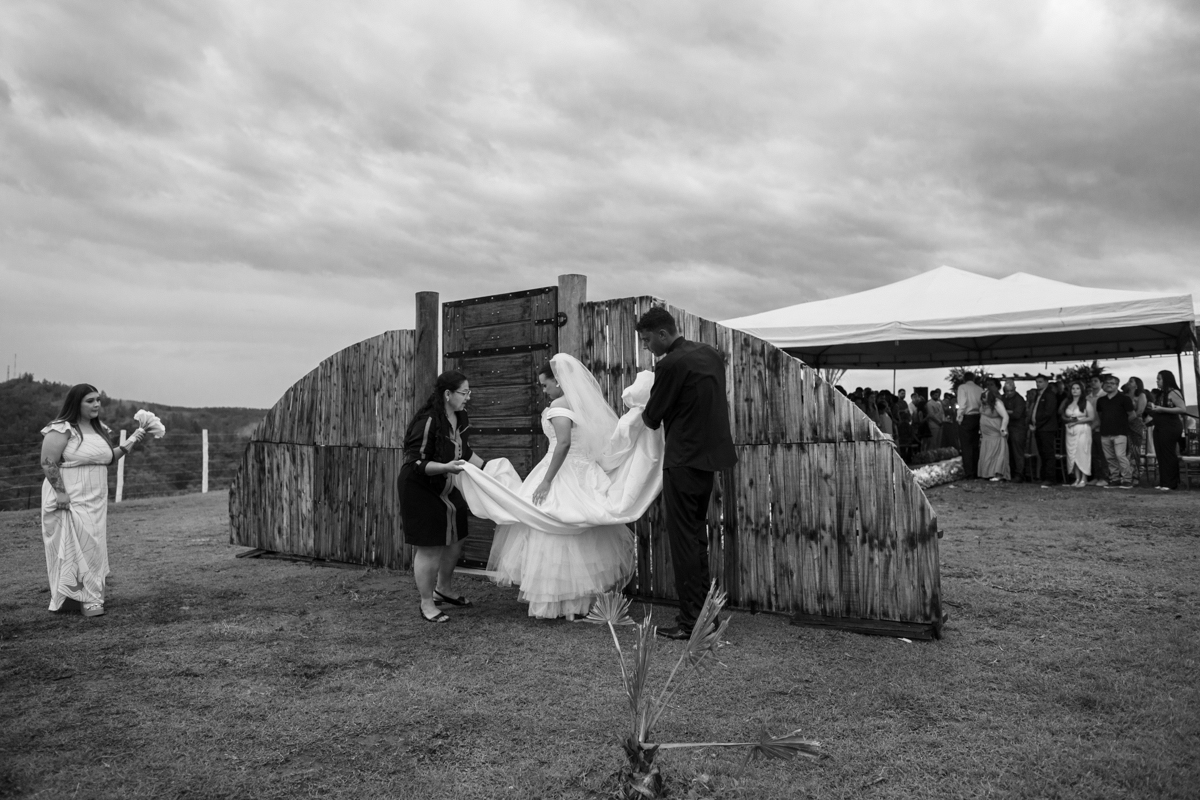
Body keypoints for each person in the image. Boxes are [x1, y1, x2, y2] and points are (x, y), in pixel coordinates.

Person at [473, 356, 659, 619]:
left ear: (559, 381)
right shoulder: (579, 405)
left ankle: (556, 602)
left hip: (562, 472)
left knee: (550, 530)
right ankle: (580, 602)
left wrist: (547, 481)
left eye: (545, 384)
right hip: (584, 472)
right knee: (580, 535)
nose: (543, 390)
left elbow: (563, 444)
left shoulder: (559, 406)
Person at [637, 307, 738, 640]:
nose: (646, 346)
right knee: (697, 539)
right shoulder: (710, 354)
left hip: (682, 461)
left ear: (663, 334)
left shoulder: (670, 364)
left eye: (647, 340)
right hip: (708, 460)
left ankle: (691, 622)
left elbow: (652, 417)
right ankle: (705, 615)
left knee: (684, 543)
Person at [40, 384, 147, 617]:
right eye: (90, 400)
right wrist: (61, 493)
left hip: (96, 499)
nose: (96, 404)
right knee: (74, 545)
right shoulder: (62, 428)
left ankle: (86, 596)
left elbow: (107, 459)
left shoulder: (100, 429)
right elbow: (48, 461)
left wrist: (132, 440)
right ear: (76, 403)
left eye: (98, 399)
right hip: (69, 496)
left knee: (94, 547)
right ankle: (81, 598)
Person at [399, 371, 485, 623]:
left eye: (469, 392)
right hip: (420, 488)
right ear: (448, 394)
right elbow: (415, 462)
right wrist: (446, 467)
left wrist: (489, 470)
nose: (468, 397)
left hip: (446, 485)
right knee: (430, 546)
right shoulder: (427, 421)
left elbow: (464, 451)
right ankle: (426, 603)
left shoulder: (461, 416)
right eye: (464, 392)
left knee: (457, 537)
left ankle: (443, 590)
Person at [1147, 370, 1188, 491]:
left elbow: (1182, 409)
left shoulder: (1173, 392)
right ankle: (1164, 481)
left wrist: (1162, 409)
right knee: (1160, 454)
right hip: (1160, 426)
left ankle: (1171, 483)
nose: (1157, 381)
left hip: (1170, 426)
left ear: (1166, 380)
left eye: (1159, 379)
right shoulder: (1161, 394)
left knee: (1168, 454)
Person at [1096, 375, 1136, 489]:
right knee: (1109, 458)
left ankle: (1127, 480)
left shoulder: (1124, 399)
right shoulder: (1101, 400)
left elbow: (1132, 415)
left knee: (1120, 456)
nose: (1109, 385)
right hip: (1105, 432)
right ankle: (1115, 479)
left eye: (1112, 383)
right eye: (1107, 383)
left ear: (1117, 385)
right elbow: (1100, 415)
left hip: (1120, 433)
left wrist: (1122, 423)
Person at [1062, 381, 1095, 488]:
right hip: (1070, 430)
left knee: (1082, 453)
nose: (1075, 390)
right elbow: (1063, 414)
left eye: (1077, 388)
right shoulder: (1068, 402)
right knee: (1073, 454)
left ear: (1081, 390)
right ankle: (1077, 478)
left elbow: (1091, 417)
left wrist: (1077, 422)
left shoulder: (1086, 403)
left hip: (1082, 430)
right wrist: (1068, 420)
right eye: (1073, 388)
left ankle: (1084, 478)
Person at [1029, 375, 1060, 484]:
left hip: (1046, 428)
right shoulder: (1039, 395)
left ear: (1046, 382)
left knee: (1048, 453)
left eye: (1040, 382)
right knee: (1042, 453)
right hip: (1039, 428)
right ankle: (1044, 476)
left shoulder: (1049, 395)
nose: (1038, 384)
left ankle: (1050, 477)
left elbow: (1048, 413)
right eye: (1037, 382)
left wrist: (1037, 424)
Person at [977, 380, 1011, 481]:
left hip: (996, 433)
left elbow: (1005, 416)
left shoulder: (997, 403)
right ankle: (987, 473)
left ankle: (998, 473)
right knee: (988, 452)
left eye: (985, 397)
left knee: (997, 453)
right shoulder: (984, 404)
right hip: (986, 435)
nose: (983, 399)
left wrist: (1003, 428)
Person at [956, 372, 983, 479]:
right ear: (973, 378)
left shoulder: (962, 387)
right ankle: (976, 470)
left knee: (966, 446)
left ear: (964, 379)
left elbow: (962, 404)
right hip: (977, 416)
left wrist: (959, 417)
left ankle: (969, 472)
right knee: (975, 445)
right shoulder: (979, 389)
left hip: (967, 417)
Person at [1001, 379, 1028, 481]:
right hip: (1008, 427)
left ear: (1015, 389)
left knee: (1017, 452)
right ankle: (1010, 473)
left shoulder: (1019, 399)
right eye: (1007, 390)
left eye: (1011, 390)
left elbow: (1017, 414)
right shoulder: (1003, 398)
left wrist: (1003, 412)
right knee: (1008, 452)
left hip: (1018, 428)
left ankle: (1019, 474)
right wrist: (1009, 412)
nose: (1009, 393)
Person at [1123, 377, 1148, 481]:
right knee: (1125, 449)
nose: (1128, 383)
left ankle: (1136, 474)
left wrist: (1128, 419)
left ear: (1137, 384)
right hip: (1124, 424)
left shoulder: (1141, 395)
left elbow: (1140, 411)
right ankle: (1126, 474)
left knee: (1135, 449)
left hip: (1136, 423)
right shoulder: (1125, 395)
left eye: (1131, 381)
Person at [1086, 376, 1109, 486]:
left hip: (1101, 429)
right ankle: (1096, 476)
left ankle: (1105, 477)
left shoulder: (1104, 395)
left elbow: (1103, 415)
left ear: (1101, 383)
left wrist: (1093, 426)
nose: (1093, 383)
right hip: (1089, 428)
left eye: (1096, 381)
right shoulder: (1087, 397)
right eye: (1092, 381)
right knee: (1094, 455)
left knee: (1102, 454)